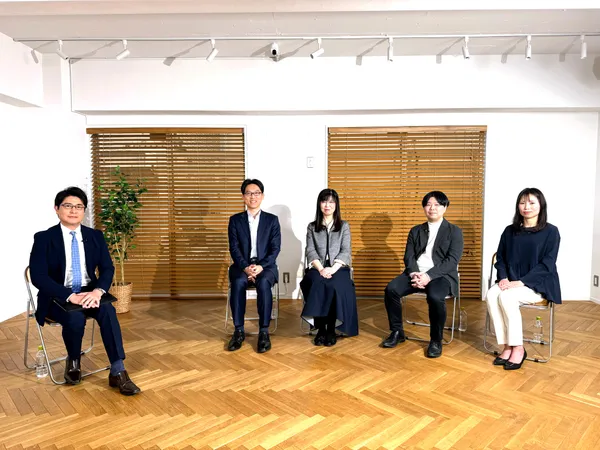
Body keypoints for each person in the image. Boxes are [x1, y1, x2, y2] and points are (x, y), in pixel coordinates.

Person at [29, 187, 140, 395]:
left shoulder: (94, 236)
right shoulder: (44, 238)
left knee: (108, 311)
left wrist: (97, 291)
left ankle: (118, 370)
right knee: (75, 317)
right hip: (58, 296)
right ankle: (73, 361)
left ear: (84, 211)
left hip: (90, 293)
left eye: (79, 207)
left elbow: (107, 268)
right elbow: (38, 276)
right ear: (57, 208)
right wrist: (70, 296)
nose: (73, 211)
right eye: (68, 206)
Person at [486, 188, 561, 370]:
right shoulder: (509, 231)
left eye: (532, 202)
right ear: (518, 206)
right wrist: (503, 278)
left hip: (537, 284)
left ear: (541, 206)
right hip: (511, 281)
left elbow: (547, 264)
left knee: (507, 297)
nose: (526, 206)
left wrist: (521, 282)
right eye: (522, 202)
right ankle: (507, 346)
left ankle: (518, 348)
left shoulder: (551, 232)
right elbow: (501, 258)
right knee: (491, 294)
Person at [381, 191, 463, 358]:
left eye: (437, 204)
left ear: (445, 207)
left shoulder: (454, 231)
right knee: (391, 289)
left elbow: (452, 261)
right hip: (416, 273)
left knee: (435, 296)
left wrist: (428, 276)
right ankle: (397, 332)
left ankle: (436, 340)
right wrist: (414, 274)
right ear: (424, 208)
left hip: (441, 276)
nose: (432, 208)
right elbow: (409, 256)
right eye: (428, 204)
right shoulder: (416, 230)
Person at [227, 179, 281, 353]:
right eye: (249, 193)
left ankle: (264, 332)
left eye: (256, 193)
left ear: (262, 196)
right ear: (243, 197)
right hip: (241, 265)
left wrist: (260, 266)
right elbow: (234, 248)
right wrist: (246, 267)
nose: (253, 196)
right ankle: (239, 331)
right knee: (238, 282)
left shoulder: (272, 220)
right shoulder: (235, 220)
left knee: (264, 283)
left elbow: (275, 249)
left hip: (266, 266)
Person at [301, 189, 358, 345]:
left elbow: (346, 250)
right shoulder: (312, 227)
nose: (327, 205)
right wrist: (321, 269)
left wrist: (332, 269)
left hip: (338, 267)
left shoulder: (344, 226)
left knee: (334, 285)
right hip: (317, 267)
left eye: (331, 202)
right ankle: (321, 328)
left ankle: (331, 328)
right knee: (316, 283)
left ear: (336, 205)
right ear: (319, 204)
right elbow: (310, 250)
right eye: (324, 201)